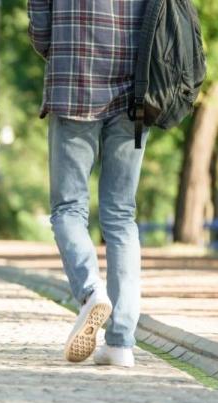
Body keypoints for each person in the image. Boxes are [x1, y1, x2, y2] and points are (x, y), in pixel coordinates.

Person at [29, 0, 147, 368]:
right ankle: (121, 343)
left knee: (68, 208)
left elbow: (40, 24)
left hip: (73, 81)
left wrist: (60, 47)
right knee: (121, 216)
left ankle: (90, 290)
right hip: (136, 90)